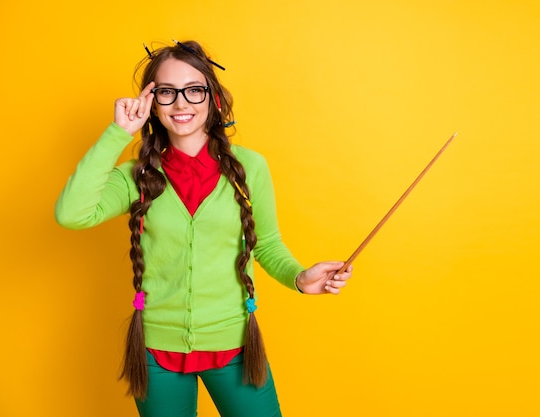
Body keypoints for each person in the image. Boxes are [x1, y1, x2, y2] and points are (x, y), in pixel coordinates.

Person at [54, 40, 353, 417]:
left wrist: (299, 276)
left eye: (194, 90)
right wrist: (118, 132)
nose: (181, 103)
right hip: (155, 352)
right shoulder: (137, 175)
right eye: (166, 92)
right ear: (151, 103)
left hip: (235, 346)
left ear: (213, 98)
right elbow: (71, 213)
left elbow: (268, 244)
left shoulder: (250, 168)